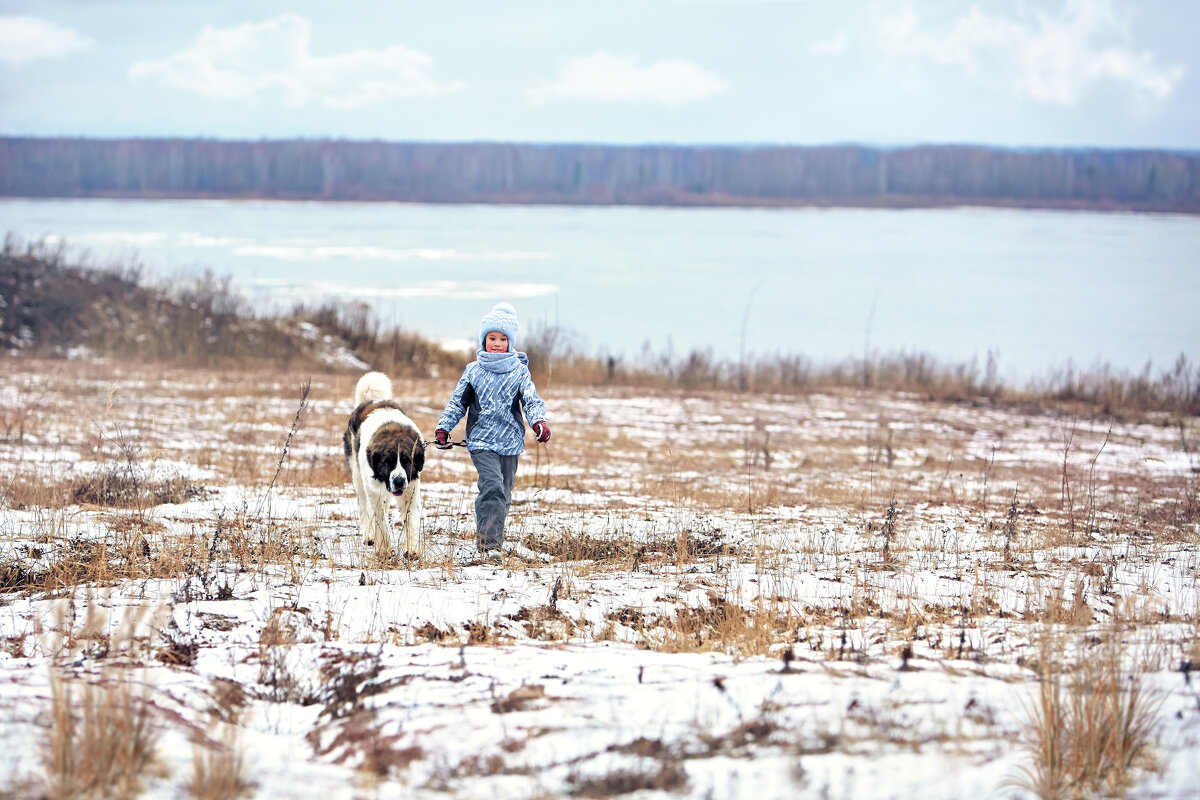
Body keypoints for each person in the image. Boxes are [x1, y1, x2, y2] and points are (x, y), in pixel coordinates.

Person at [434, 302, 551, 559]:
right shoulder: (473, 371)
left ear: (510, 342)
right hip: (482, 441)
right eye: (491, 338)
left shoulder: (519, 371)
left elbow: (531, 401)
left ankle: (494, 539)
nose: (496, 343)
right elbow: (458, 402)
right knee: (492, 486)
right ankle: (488, 547)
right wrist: (444, 427)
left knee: (504, 492)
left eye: (502, 338)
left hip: (509, 441)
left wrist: (538, 422)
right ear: (483, 340)